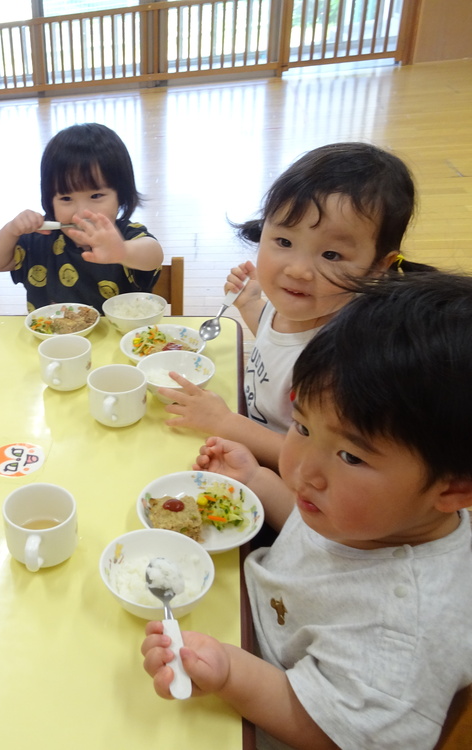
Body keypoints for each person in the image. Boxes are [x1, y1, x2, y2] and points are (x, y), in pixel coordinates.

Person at [141, 271, 472, 750]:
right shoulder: (372, 513)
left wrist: (233, 671)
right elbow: (308, 528)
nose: (301, 470)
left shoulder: (403, 640)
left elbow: (333, 730)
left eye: (351, 456)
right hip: (241, 611)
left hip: (267, 709)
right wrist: (256, 480)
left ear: (454, 489)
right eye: (302, 426)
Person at [158, 142, 433, 470]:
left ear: (377, 267)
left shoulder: (342, 361)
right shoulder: (301, 306)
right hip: (243, 428)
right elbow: (279, 338)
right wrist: (250, 305)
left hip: (281, 476)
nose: (297, 270)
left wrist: (225, 422)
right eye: (284, 242)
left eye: (331, 255)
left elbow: (315, 457)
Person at [0, 122, 163, 311]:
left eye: (96, 196)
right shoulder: (39, 240)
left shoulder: (126, 235)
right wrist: (11, 231)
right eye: (66, 198)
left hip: (119, 338)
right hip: (52, 339)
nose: (80, 213)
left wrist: (122, 252)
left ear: (121, 195)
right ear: (49, 200)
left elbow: (153, 256)